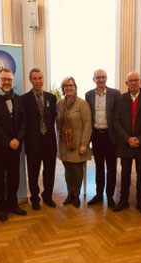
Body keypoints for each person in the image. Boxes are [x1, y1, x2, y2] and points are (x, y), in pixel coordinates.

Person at [0, 68, 27, 221]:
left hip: (16, 147)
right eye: (4, 79)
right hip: (1, 148)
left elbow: (24, 122)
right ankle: (2, 208)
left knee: (14, 178)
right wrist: (8, 141)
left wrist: (18, 140)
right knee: (0, 179)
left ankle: (13, 204)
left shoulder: (19, 98)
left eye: (10, 79)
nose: (7, 82)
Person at [113, 72, 141, 214]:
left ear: (140, 82)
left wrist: (140, 139)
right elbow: (116, 121)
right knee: (125, 173)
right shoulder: (120, 99)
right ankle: (123, 201)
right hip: (125, 143)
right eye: (131, 80)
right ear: (126, 83)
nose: (134, 83)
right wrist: (127, 138)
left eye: (136, 80)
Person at [22, 68, 57, 210]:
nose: (38, 81)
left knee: (49, 172)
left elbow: (53, 117)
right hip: (32, 143)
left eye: (40, 78)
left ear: (43, 79)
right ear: (30, 80)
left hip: (49, 142)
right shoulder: (23, 99)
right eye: (35, 78)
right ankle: (35, 198)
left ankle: (47, 196)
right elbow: (23, 120)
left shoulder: (51, 98)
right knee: (33, 172)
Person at [85, 69, 120, 208]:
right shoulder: (88, 95)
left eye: (103, 77)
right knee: (99, 167)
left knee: (111, 168)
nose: (100, 80)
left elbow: (118, 115)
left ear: (106, 78)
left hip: (110, 136)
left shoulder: (115, 93)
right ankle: (99, 195)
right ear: (93, 79)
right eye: (98, 77)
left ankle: (110, 196)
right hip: (96, 136)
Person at [57, 76, 92, 208]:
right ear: (63, 88)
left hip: (78, 144)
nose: (69, 88)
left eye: (71, 85)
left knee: (77, 171)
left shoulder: (82, 104)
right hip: (64, 144)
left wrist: (84, 144)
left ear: (75, 87)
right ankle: (69, 194)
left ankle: (75, 195)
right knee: (68, 171)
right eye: (66, 85)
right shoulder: (59, 104)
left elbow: (88, 125)